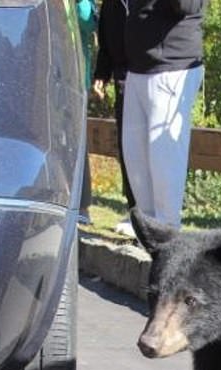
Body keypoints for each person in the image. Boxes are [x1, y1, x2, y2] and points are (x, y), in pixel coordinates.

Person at [121, 0, 207, 229]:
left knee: (165, 162)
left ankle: (167, 232)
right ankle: (147, 231)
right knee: (135, 160)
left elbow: (187, 6)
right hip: (138, 68)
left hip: (172, 67)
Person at [92, 0, 136, 236]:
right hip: (123, 76)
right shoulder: (112, 3)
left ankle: (152, 211)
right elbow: (107, 36)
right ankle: (134, 209)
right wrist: (102, 73)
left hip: (148, 71)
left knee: (146, 148)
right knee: (127, 146)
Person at [76, 0, 98, 226]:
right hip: (43, 72)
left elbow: (86, 20)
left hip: (74, 75)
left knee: (77, 143)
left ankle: (82, 205)